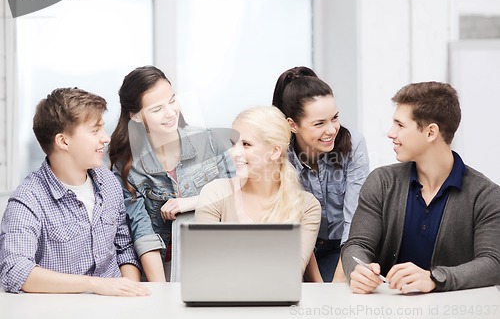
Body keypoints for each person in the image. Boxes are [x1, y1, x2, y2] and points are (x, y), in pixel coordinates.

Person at [341, 81, 500, 294]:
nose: (390, 133)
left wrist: (435, 279)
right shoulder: (381, 182)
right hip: (385, 309)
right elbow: (357, 244)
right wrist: (358, 269)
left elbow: (492, 264)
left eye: (400, 125)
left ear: (430, 132)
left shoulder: (486, 196)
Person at [0, 88, 149, 296]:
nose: (105, 138)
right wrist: (96, 285)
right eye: (95, 130)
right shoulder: (28, 199)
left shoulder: (108, 182)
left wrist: (129, 292)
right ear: (63, 141)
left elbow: (125, 249)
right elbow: (15, 271)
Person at [108, 65, 234, 282]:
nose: (170, 113)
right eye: (157, 109)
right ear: (136, 116)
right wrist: (161, 291)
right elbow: (142, 232)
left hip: (220, 255)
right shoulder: (128, 166)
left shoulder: (210, 141)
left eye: (172, 100)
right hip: (165, 264)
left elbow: (239, 195)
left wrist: (192, 202)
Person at [195, 106, 321, 276]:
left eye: (246, 144)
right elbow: (208, 266)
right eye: (233, 143)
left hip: (279, 300)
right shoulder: (215, 193)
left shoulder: (307, 206)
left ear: (275, 151)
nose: (234, 153)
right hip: (223, 300)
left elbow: (291, 273)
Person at [272, 67, 370, 282]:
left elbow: (355, 217)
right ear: (292, 125)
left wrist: (339, 279)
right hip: (301, 251)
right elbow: (294, 223)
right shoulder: (279, 153)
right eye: (319, 123)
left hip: (345, 247)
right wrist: (320, 286)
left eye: (334, 118)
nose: (331, 130)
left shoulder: (354, 144)